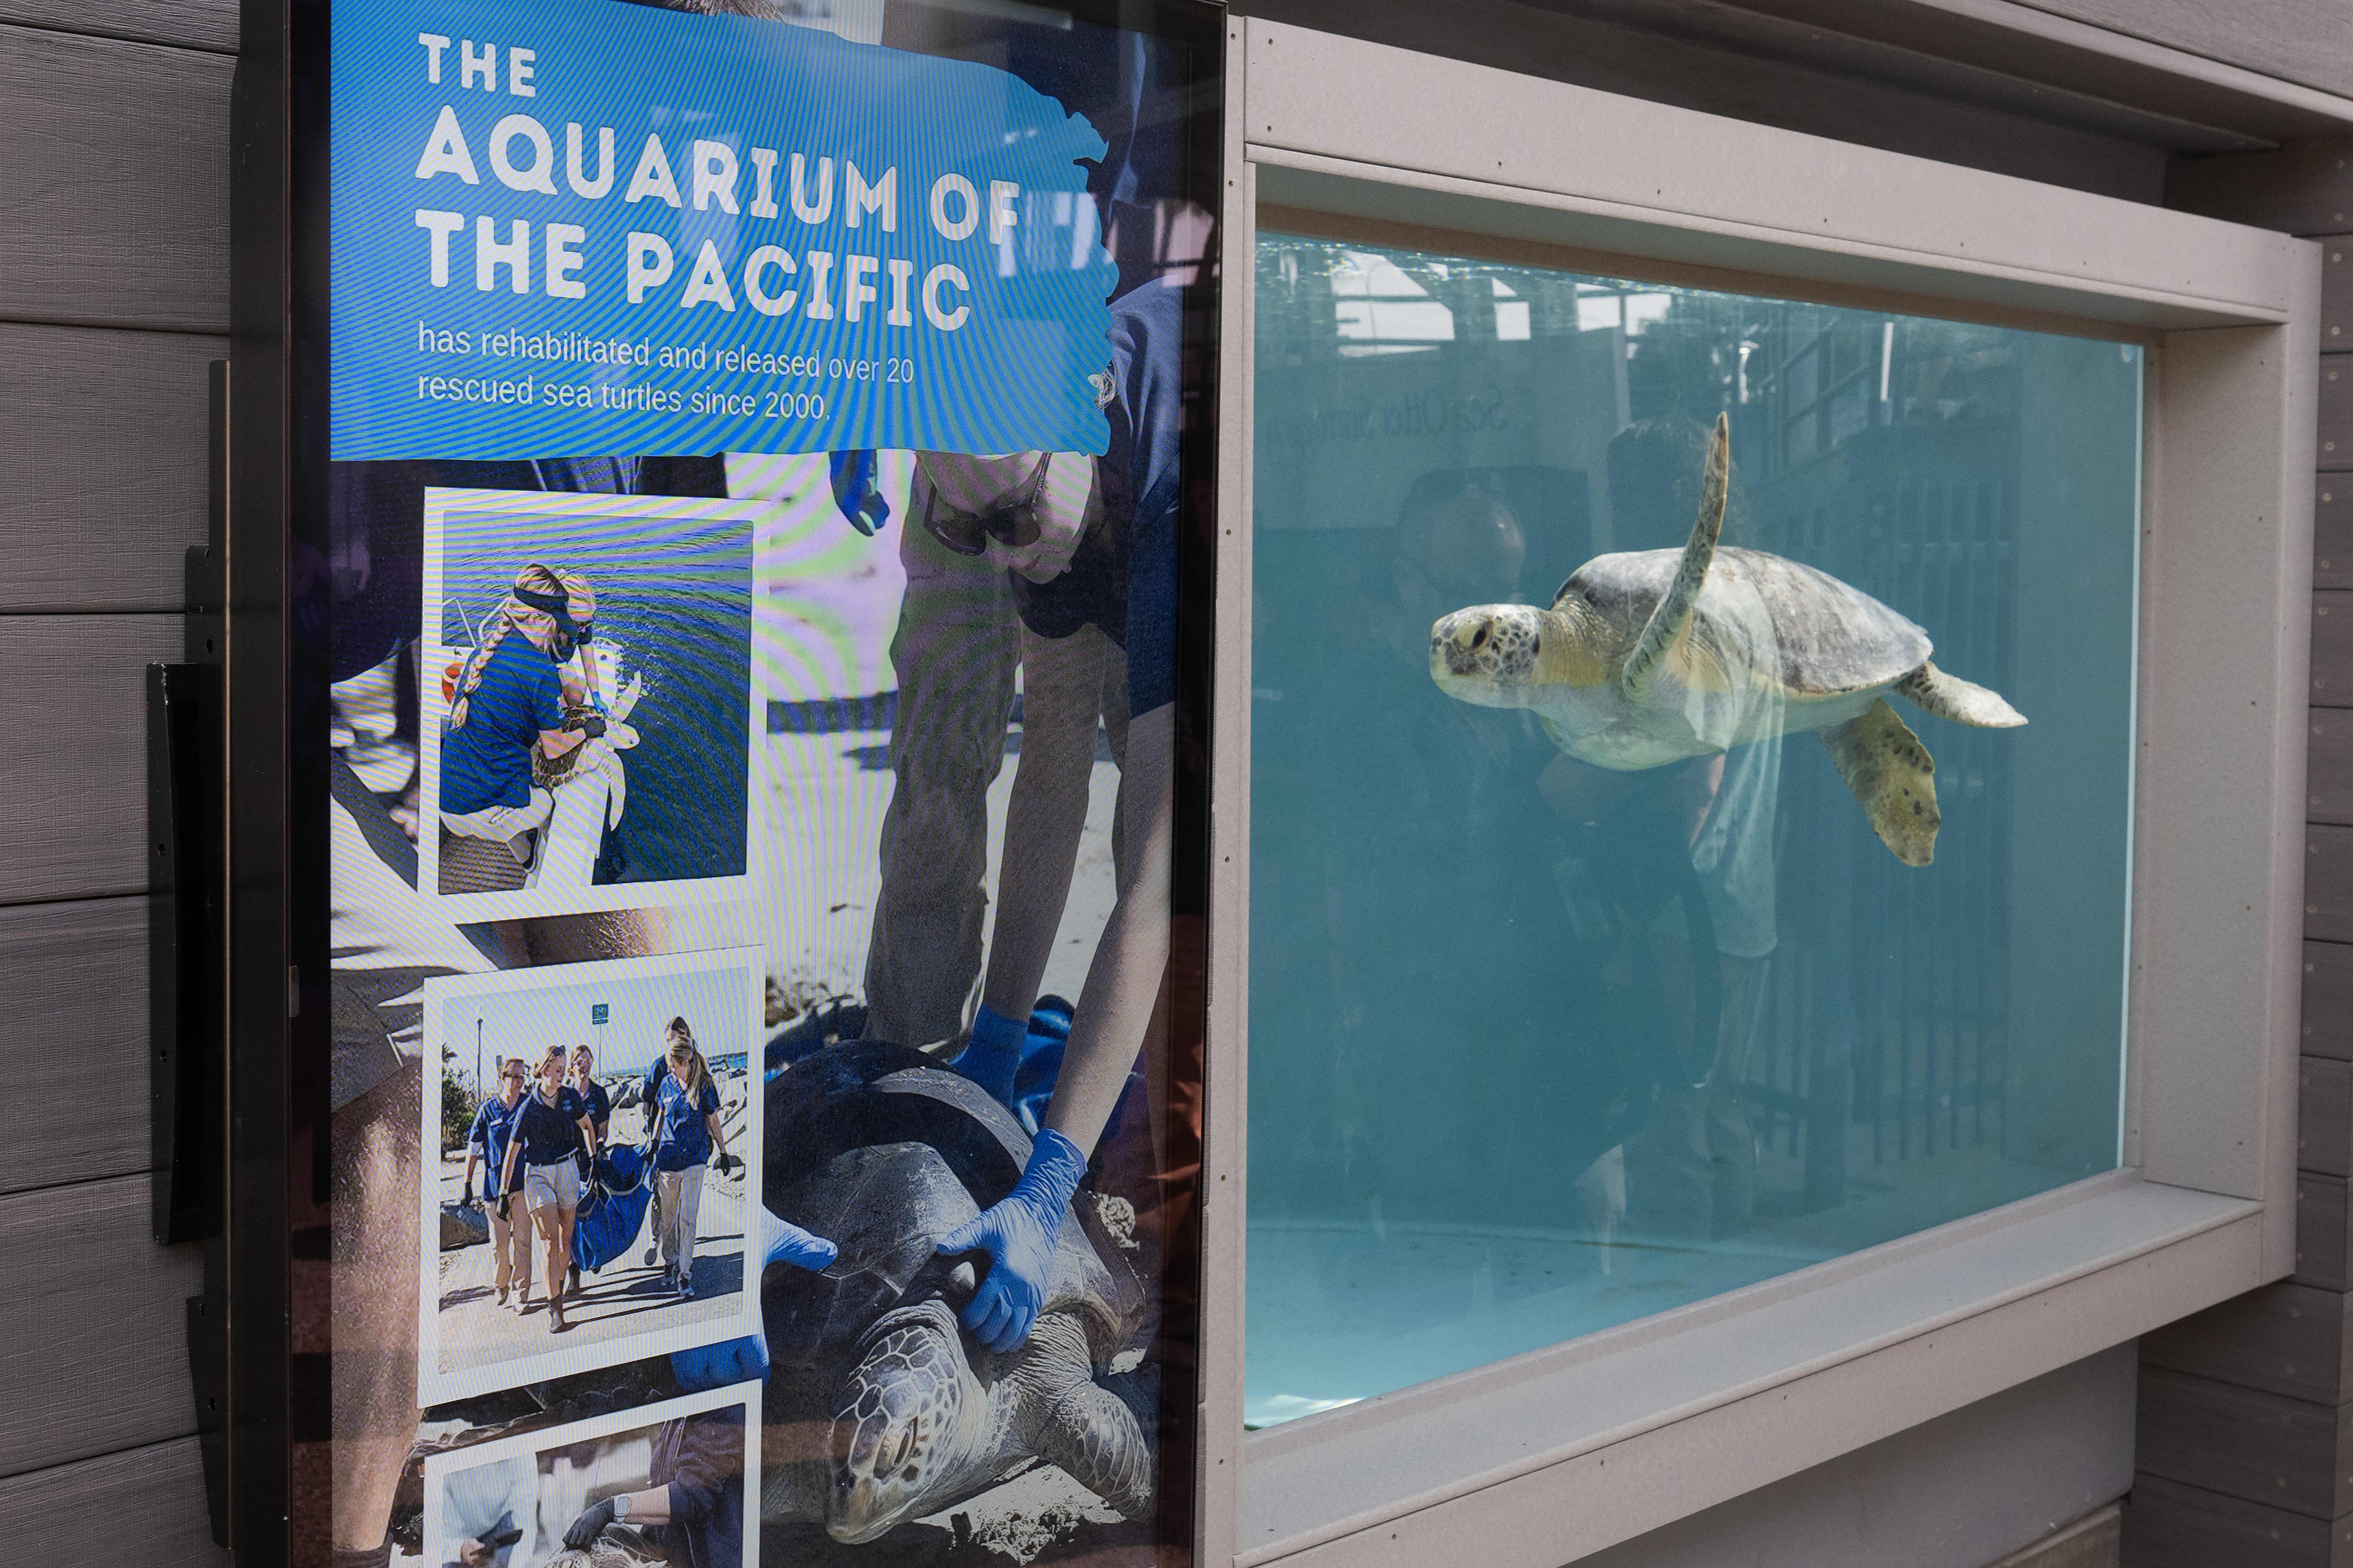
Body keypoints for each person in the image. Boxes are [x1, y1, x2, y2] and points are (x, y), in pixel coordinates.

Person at [926, 278, 1185, 1355]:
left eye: (1011, 520)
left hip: (1265, 565)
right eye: (961, 527)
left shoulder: (1170, 492)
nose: (998, 554)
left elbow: (1161, 878)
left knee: (1181, 856)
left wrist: (1045, 1184)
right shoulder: (1041, 497)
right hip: (1113, 506)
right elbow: (1048, 777)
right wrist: (994, 1039)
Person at [440, 564, 602, 868]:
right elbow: (554, 750)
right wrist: (588, 731)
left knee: (505, 811)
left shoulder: (484, 652)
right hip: (474, 811)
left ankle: (524, 858)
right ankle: (531, 853)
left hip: (447, 800)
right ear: (543, 619)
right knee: (546, 805)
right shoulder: (541, 672)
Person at [497, 1045, 602, 1333]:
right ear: (544, 1070)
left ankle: (561, 1280)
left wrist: (593, 1159)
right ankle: (555, 1308)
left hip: (567, 1168)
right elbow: (512, 1152)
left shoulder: (570, 1097)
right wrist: (504, 1193)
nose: (562, 1074)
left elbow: (587, 1125)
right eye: (558, 1069)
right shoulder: (529, 1108)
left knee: (566, 1241)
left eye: (564, 1069)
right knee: (549, 1242)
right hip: (539, 1175)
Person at [561, 1408, 746, 1568]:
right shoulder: (675, 1418)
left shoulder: (722, 1411)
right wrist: (632, 1543)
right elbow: (663, 1495)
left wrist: (612, 1508)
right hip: (673, 1556)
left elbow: (692, 1496)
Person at [651, 1021, 736, 1299]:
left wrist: (723, 1152)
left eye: (673, 1065)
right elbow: (660, 1116)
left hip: (695, 1160)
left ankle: (685, 1274)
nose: (670, 1070)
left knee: (687, 1219)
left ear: (684, 1062)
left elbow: (713, 1120)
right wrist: (653, 1145)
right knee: (669, 1221)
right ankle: (670, 1261)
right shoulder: (665, 1084)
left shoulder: (705, 1085)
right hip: (668, 1161)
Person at [459, 1057, 532, 1309]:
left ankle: (521, 1292)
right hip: (494, 1190)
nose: (518, 1082)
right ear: (502, 1078)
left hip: (522, 1187)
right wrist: (467, 1183)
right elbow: (474, 1149)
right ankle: (502, 1283)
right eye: (514, 1076)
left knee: (523, 1241)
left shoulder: (528, 1105)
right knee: (500, 1245)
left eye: (522, 1077)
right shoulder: (488, 1110)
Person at [567, 1044, 613, 1296]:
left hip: (592, 1161)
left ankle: (595, 1252)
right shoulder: (564, 1095)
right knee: (569, 1218)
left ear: (592, 1063)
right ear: (571, 1067)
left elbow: (603, 1129)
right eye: (578, 1062)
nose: (583, 1065)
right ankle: (574, 1274)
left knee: (593, 1211)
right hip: (567, 1163)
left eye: (586, 1061)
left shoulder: (600, 1094)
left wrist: (599, 1150)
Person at [440, 1454, 535, 1568]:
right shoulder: (443, 1463)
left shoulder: (522, 1456)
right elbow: (441, 1536)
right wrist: (459, 1548)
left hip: (502, 1534)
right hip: (462, 1540)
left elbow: (526, 1526)